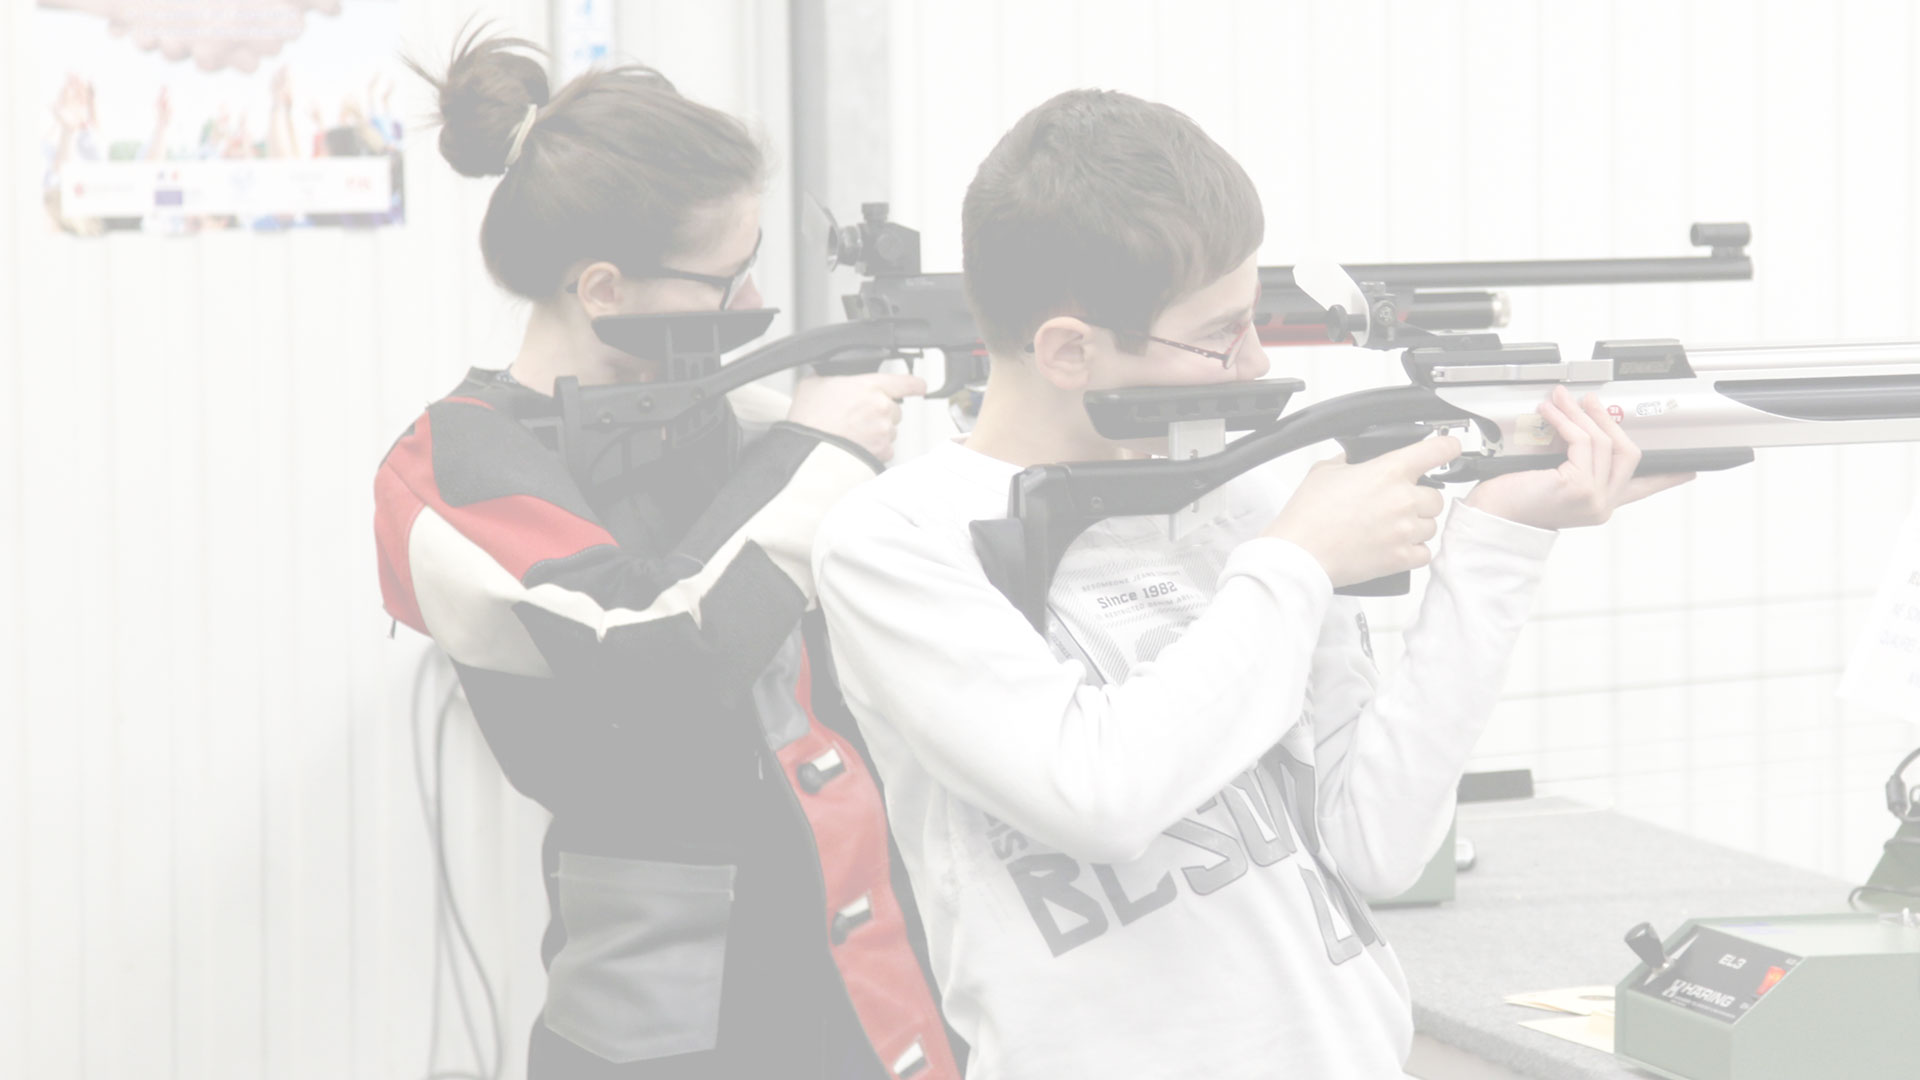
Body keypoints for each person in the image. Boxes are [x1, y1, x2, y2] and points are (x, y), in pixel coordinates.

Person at [812, 89, 1691, 1079]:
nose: (1259, 360)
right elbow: (1097, 795)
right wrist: (1298, 562)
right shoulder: (894, 541)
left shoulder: (1245, 503)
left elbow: (1378, 845)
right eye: (1222, 333)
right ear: (1070, 349)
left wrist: (1498, 540)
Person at [373, 29, 960, 1080]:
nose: (747, 309)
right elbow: (645, 649)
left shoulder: (734, 418)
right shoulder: (450, 465)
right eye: (723, 280)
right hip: (664, 1018)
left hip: (855, 966)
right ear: (602, 287)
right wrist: (820, 452)